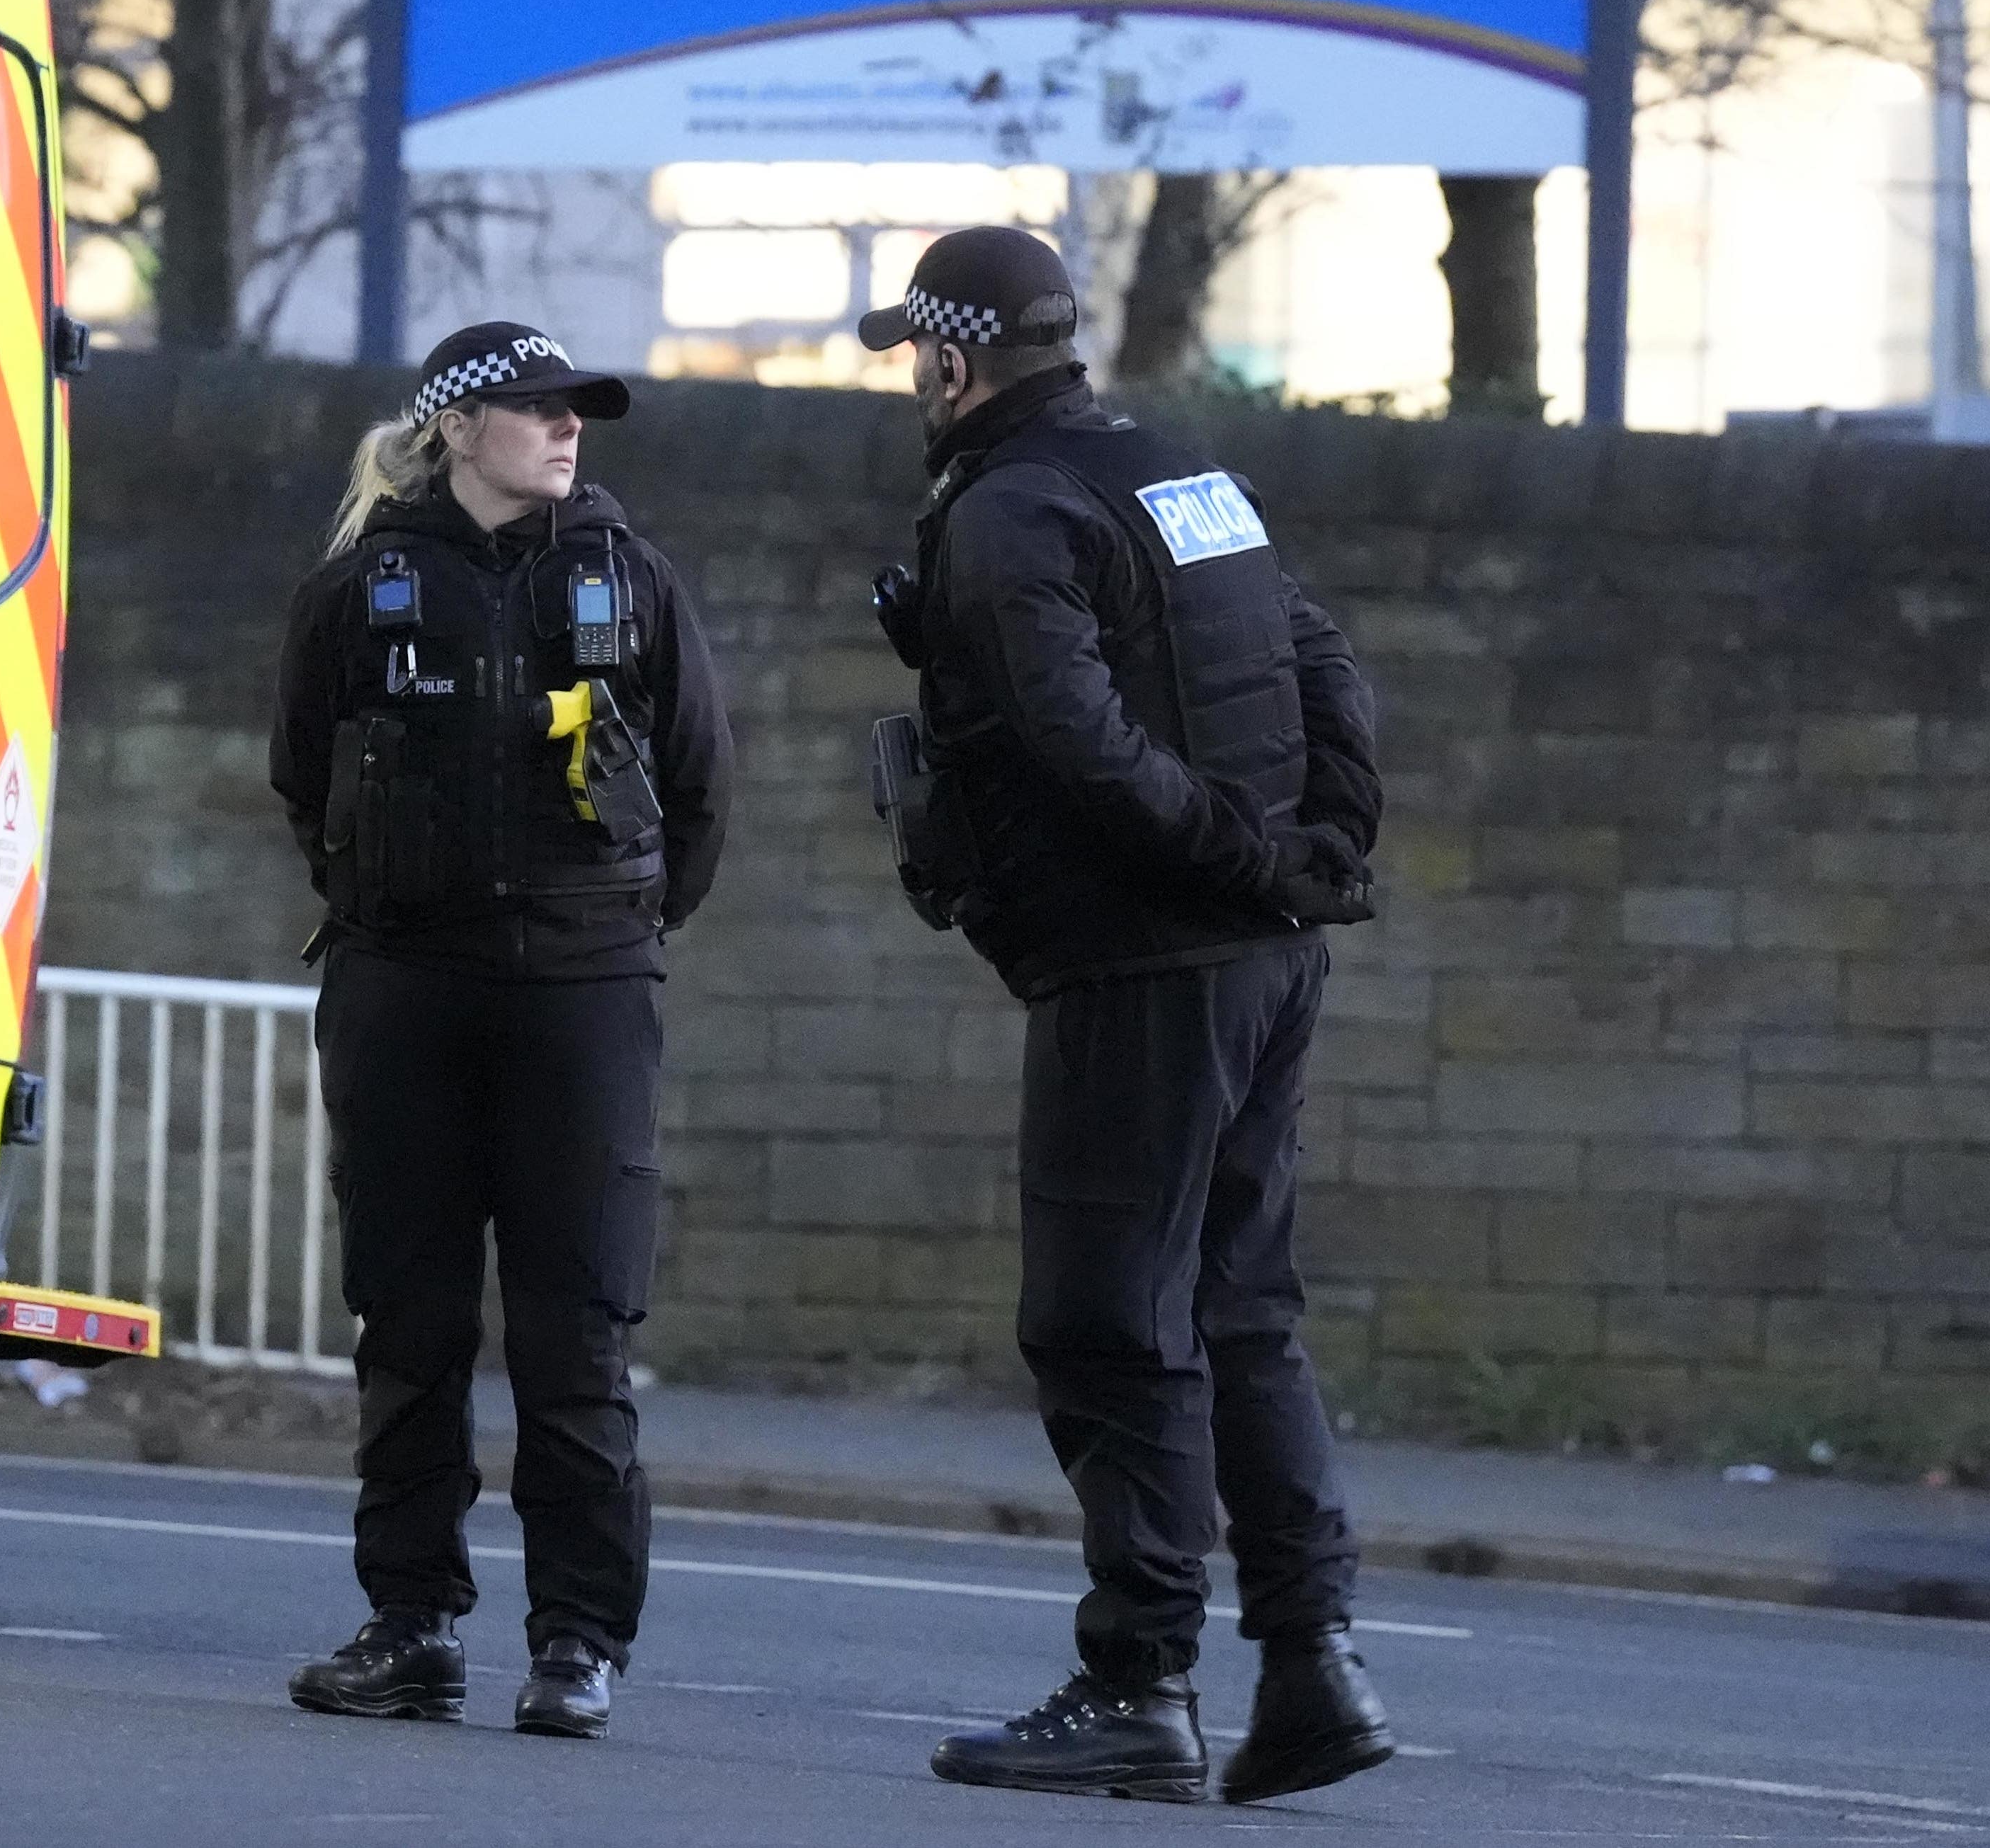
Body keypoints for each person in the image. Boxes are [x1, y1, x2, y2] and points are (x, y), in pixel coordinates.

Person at [862, 227, 1393, 1807]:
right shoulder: (1180, 470)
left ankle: (1136, 1682)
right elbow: (1319, 659)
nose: (912, 378)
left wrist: (1242, 858)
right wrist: (1320, 850)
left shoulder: (1011, 509)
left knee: (1108, 1320)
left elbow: (1077, 745)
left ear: (953, 360)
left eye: (915, 355)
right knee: (1241, 1311)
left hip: (1142, 967)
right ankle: (1309, 1663)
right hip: (1260, 958)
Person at [268, 320, 731, 1742]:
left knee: (575, 1331)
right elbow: (301, 779)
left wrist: (601, 933)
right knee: (406, 1324)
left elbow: (702, 798)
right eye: (536, 407)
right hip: (404, 991)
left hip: (581, 996)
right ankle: (411, 1626)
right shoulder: (360, 592)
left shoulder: (629, 583)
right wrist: (395, 919)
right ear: (460, 428)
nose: (567, 426)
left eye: (576, 408)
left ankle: (578, 1642)